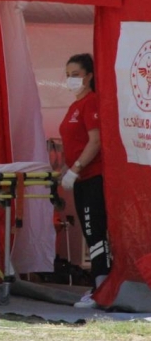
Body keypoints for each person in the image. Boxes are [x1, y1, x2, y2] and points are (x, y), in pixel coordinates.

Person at [59, 53, 111, 309]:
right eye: (68, 75)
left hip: (92, 178)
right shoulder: (74, 106)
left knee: (95, 232)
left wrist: (76, 169)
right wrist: (64, 171)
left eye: (76, 75)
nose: (71, 80)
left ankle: (101, 288)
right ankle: (99, 286)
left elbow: (96, 141)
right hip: (79, 179)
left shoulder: (91, 102)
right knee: (90, 233)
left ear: (89, 76)